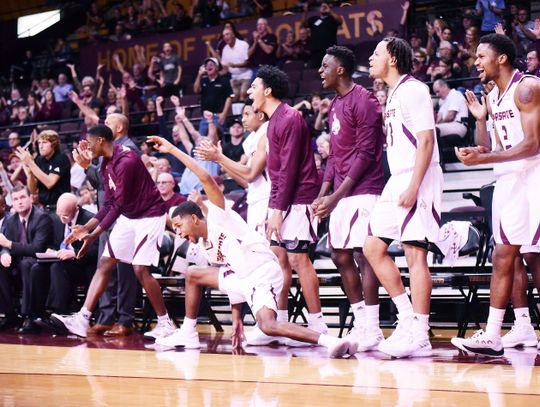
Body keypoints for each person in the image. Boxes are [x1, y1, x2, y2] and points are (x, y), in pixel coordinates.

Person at [148, 135, 356, 358]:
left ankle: (330, 341)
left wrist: (171, 150)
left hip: (262, 273)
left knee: (268, 325)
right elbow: (232, 277)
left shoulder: (219, 216)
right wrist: (236, 320)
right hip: (245, 278)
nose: (178, 232)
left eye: (179, 225)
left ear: (195, 219)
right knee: (193, 274)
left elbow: (205, 177)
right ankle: (188, 333)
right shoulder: (207, 247)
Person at [452, 34, 540, 356]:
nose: (476, 62)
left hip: (535, 177)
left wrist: (486, 159)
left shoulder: (527, 87)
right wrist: (480, 123)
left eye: (481, 56)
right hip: (510, 179)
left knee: (533, 256)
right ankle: (492, 334)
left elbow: (532, 145)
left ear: (501, 58)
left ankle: (516, 328)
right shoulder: (496, 96)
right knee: (504, 254)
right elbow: (493, 148)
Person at [49, 124, 176, 340]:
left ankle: (166, 323)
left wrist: (93, 236)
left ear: (100, 141)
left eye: (89, 143)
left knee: (139, 269)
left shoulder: (127, 161)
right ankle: (82, 319)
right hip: (129, 215)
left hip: (149, 215)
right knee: (105, 263)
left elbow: (117, 206)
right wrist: (85, 228)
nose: (87, 147)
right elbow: (108, 203)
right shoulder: (105, 164)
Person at [363, 37, 443, 358]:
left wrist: (413, 185)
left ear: (392, 58)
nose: (370, 58)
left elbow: (426, 141)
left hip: (416, 176)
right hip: (397, 179)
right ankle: (406, 317)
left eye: (376, 53)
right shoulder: (393, 93)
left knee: (414, 253)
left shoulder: (413, 89)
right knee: (372, 246)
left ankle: (420, 334)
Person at [247, 65, 328, 342]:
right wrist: (273, 209)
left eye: (254, 86)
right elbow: (276, 174)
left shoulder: (291, 118)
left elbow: (291, 170)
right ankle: (280, 323)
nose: (249, 91)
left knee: (298, 259)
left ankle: (318, 324)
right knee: (276, 259)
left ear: (267, 90)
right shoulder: (272, 123)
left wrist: (278, 211)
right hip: (282, 200)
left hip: (300, 198)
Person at [313, 46, 386, 351]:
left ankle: (372, 327)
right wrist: (323, 193)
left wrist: (336, 195)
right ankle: (360, 320)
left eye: (325, 65)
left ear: (340, 69)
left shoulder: (365, 99)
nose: (320, 71)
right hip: (342, 192)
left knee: (363, 255)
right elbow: (334, 155)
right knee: (339, 255)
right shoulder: (334, 105)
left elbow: (368, 153)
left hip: (365, 189)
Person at [0, 185, 53, 333]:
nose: (19, 202)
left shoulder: (42, 218)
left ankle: (30, 316)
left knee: (26, 264)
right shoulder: (10, 221)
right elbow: (6, 245)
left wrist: (8, 245)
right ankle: (9, 314)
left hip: (40, 263)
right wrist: (4, 253)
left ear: (31, 198)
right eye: (15, 199)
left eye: (23, 197)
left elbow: (37, 249)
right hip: (19, 261)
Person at [36, 193, 98, 316]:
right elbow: (51, 243)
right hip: (60, 260)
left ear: (76, 209)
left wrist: (74, 253)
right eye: (59, 214)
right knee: (36, 269)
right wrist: (50, 250)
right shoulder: (55, 218)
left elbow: (96, 250)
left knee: (57, 268)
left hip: (82, 265)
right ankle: (36, 314)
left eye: (65, 215)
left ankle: (59, 312)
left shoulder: (90, 220)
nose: (61, 219)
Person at [15, 130, 71, 212]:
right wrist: (30, 173)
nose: (40, 146)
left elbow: (50, 183)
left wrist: (31, 163)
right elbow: (33, 190)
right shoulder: (39, 160)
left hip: (61, 207)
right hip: (44, 208)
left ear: (54, 144)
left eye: (44, 142)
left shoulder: (61, 158)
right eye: (39, 143)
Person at [302, 2, 343, 68]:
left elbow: (340, 21)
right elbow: (303, 23)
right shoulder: (314, 19)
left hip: (329, 50)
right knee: (316, 71)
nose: (323, 7)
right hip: (315, 51)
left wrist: (330, 11)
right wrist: (305, 12)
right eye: (322, 6)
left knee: (329, 69)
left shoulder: (332, 19)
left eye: (325, 6)